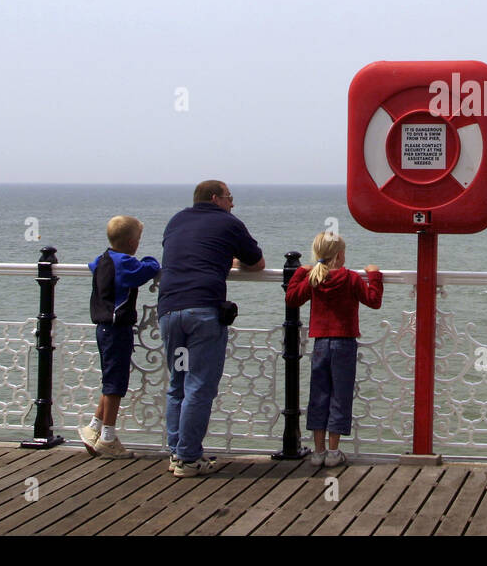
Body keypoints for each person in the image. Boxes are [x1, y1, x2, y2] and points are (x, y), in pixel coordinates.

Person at [157, 180, 265, 477]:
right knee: (199, 385)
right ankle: (189, 458)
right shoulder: (228, 223)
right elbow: (256, 263)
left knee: (177, 383)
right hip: (202, 312)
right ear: (216, 198)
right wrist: (225, 260)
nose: (233, 203)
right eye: (230, 198)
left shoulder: (176, 220)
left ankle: (176, 451)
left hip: (170, 312)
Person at [285, 232, 382, 467]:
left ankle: (318, 451)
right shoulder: (350, 278)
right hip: (344, 343)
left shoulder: (314, 278)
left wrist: (300, 271)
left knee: (319, 395)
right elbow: (373, 300)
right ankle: (333, 451)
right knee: (340, 395)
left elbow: (291, 298)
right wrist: (374, 275)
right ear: (340, 255)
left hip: (321, 343)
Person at [80, 215, 161, 458]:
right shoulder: (126, 264)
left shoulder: (102, 260)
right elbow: (148, 268)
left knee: (110, 378)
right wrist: (150, 260)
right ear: (131, 242)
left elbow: (91, 265)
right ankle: (108, 437)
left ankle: (94, 427)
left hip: (102, 328)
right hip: (117, 328)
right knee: (116, 384)